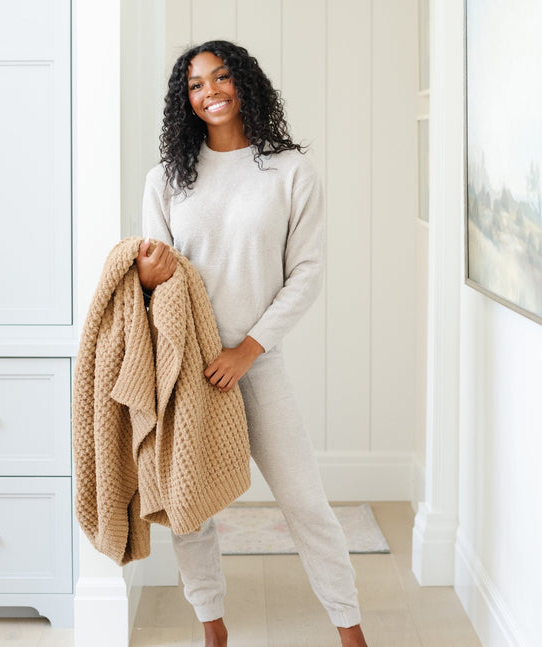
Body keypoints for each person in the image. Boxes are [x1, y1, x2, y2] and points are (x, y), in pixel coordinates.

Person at [136, 40, 368, 647]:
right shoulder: (165, 180)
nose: (209, 91)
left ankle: (351, 632)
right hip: (184, 368)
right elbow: (150, 275)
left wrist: (249, 350)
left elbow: (307, 274)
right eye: (195, 85)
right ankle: (213, 631)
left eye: (220, 77)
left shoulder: (290, 171)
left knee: (306, 504)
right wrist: (146, 276)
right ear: (184, 101)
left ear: (243, 83)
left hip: (254, 363)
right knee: (191, 508)